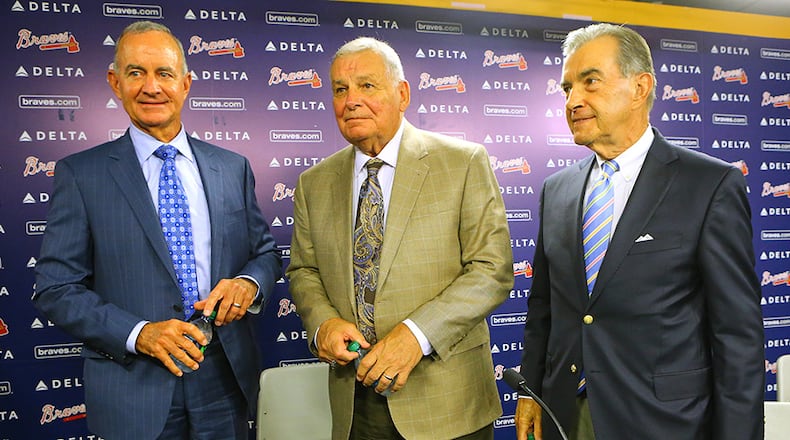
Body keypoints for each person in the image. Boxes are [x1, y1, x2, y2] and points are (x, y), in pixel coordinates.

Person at [33, 21, 282, 440]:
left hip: (224, 379)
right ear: (115, 82)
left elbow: (265, 253)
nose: (152, 87)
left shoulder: (231, 167)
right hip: (133, 388)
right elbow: (55, 289)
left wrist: (247, 283)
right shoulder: (81, 174)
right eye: (135, 73)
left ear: (185, 84)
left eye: (164, 73)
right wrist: (140, 334)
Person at [514, 23, 764, 440]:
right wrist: (531, 391)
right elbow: (544, 310)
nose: (574, 100)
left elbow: (737, 336)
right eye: (567, 88)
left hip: (666, 422)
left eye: (590, 82)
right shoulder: (556, 190)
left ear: (640, 86)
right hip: (564, 417)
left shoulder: (709, 185)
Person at [286, 37, 514, 440]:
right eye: (340, 89)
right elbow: (304, 269)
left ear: (402, 93)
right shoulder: (312, 183)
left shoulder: (462, 163)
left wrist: (416, 334)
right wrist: (323, 323)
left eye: (367, 86)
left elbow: (490, 271)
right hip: (355, 403)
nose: (351, 100)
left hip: (447, 403)